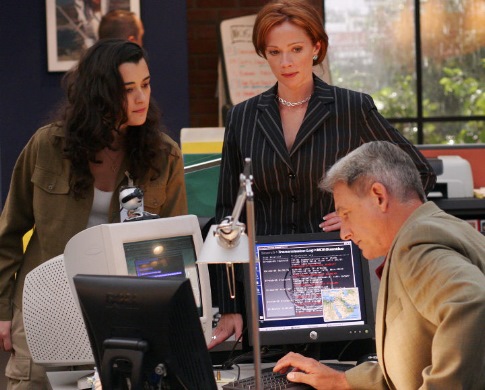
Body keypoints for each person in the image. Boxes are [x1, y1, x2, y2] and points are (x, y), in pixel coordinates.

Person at [208, 0, 436, 349]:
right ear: (263, 54)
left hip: (335, 272)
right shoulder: (242, 117)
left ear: (316, 48)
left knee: (339, 371)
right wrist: (229, 306)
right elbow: (228, 215)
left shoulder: (352, 107)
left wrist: (359, 215)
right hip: (267, 285)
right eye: (274, 52)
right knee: (272, 377)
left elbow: (417, 173)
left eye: (296, 49)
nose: (285, 62)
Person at [0, 39, 187, 389]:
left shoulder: (165, 156)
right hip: (45, 308)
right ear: (99, 93)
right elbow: (7, 236)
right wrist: (1, 312)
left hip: (123, 315)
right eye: (127, 90)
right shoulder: (47, 146)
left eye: (145, 85)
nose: (141, 98)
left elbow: (174, 253)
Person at [273, 140, 485, 389]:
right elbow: (414, 366)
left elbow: (472, 303)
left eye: (346, 214)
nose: (345, 233)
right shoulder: (439, 226)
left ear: (379, 196)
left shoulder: (417, 246)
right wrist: (343, 380)